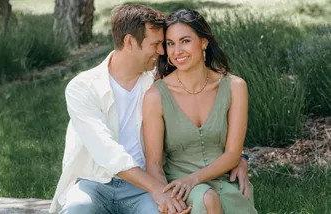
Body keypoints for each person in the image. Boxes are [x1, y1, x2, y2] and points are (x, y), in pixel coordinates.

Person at [49, 4, 250, 214]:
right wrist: (157, 189)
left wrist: (240, 158)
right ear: (129, 42)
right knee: (77, 210)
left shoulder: (155, 81)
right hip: (94, 183)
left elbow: (202, 108)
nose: (163, 51)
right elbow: (108, 153)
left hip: (142, 189)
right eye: (157, 44)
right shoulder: (83, 87)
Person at [143, 9, 257, 214]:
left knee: (220, 199)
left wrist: (194, 179)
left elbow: (233, 154)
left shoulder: (234, 87)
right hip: (178, 186)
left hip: (224, 180)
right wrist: (167, 197)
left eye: (185, 41)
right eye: (170, 43)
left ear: (204, 42)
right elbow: (153, 162)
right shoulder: (155, 96)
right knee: (206, 199)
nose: (177, 51)